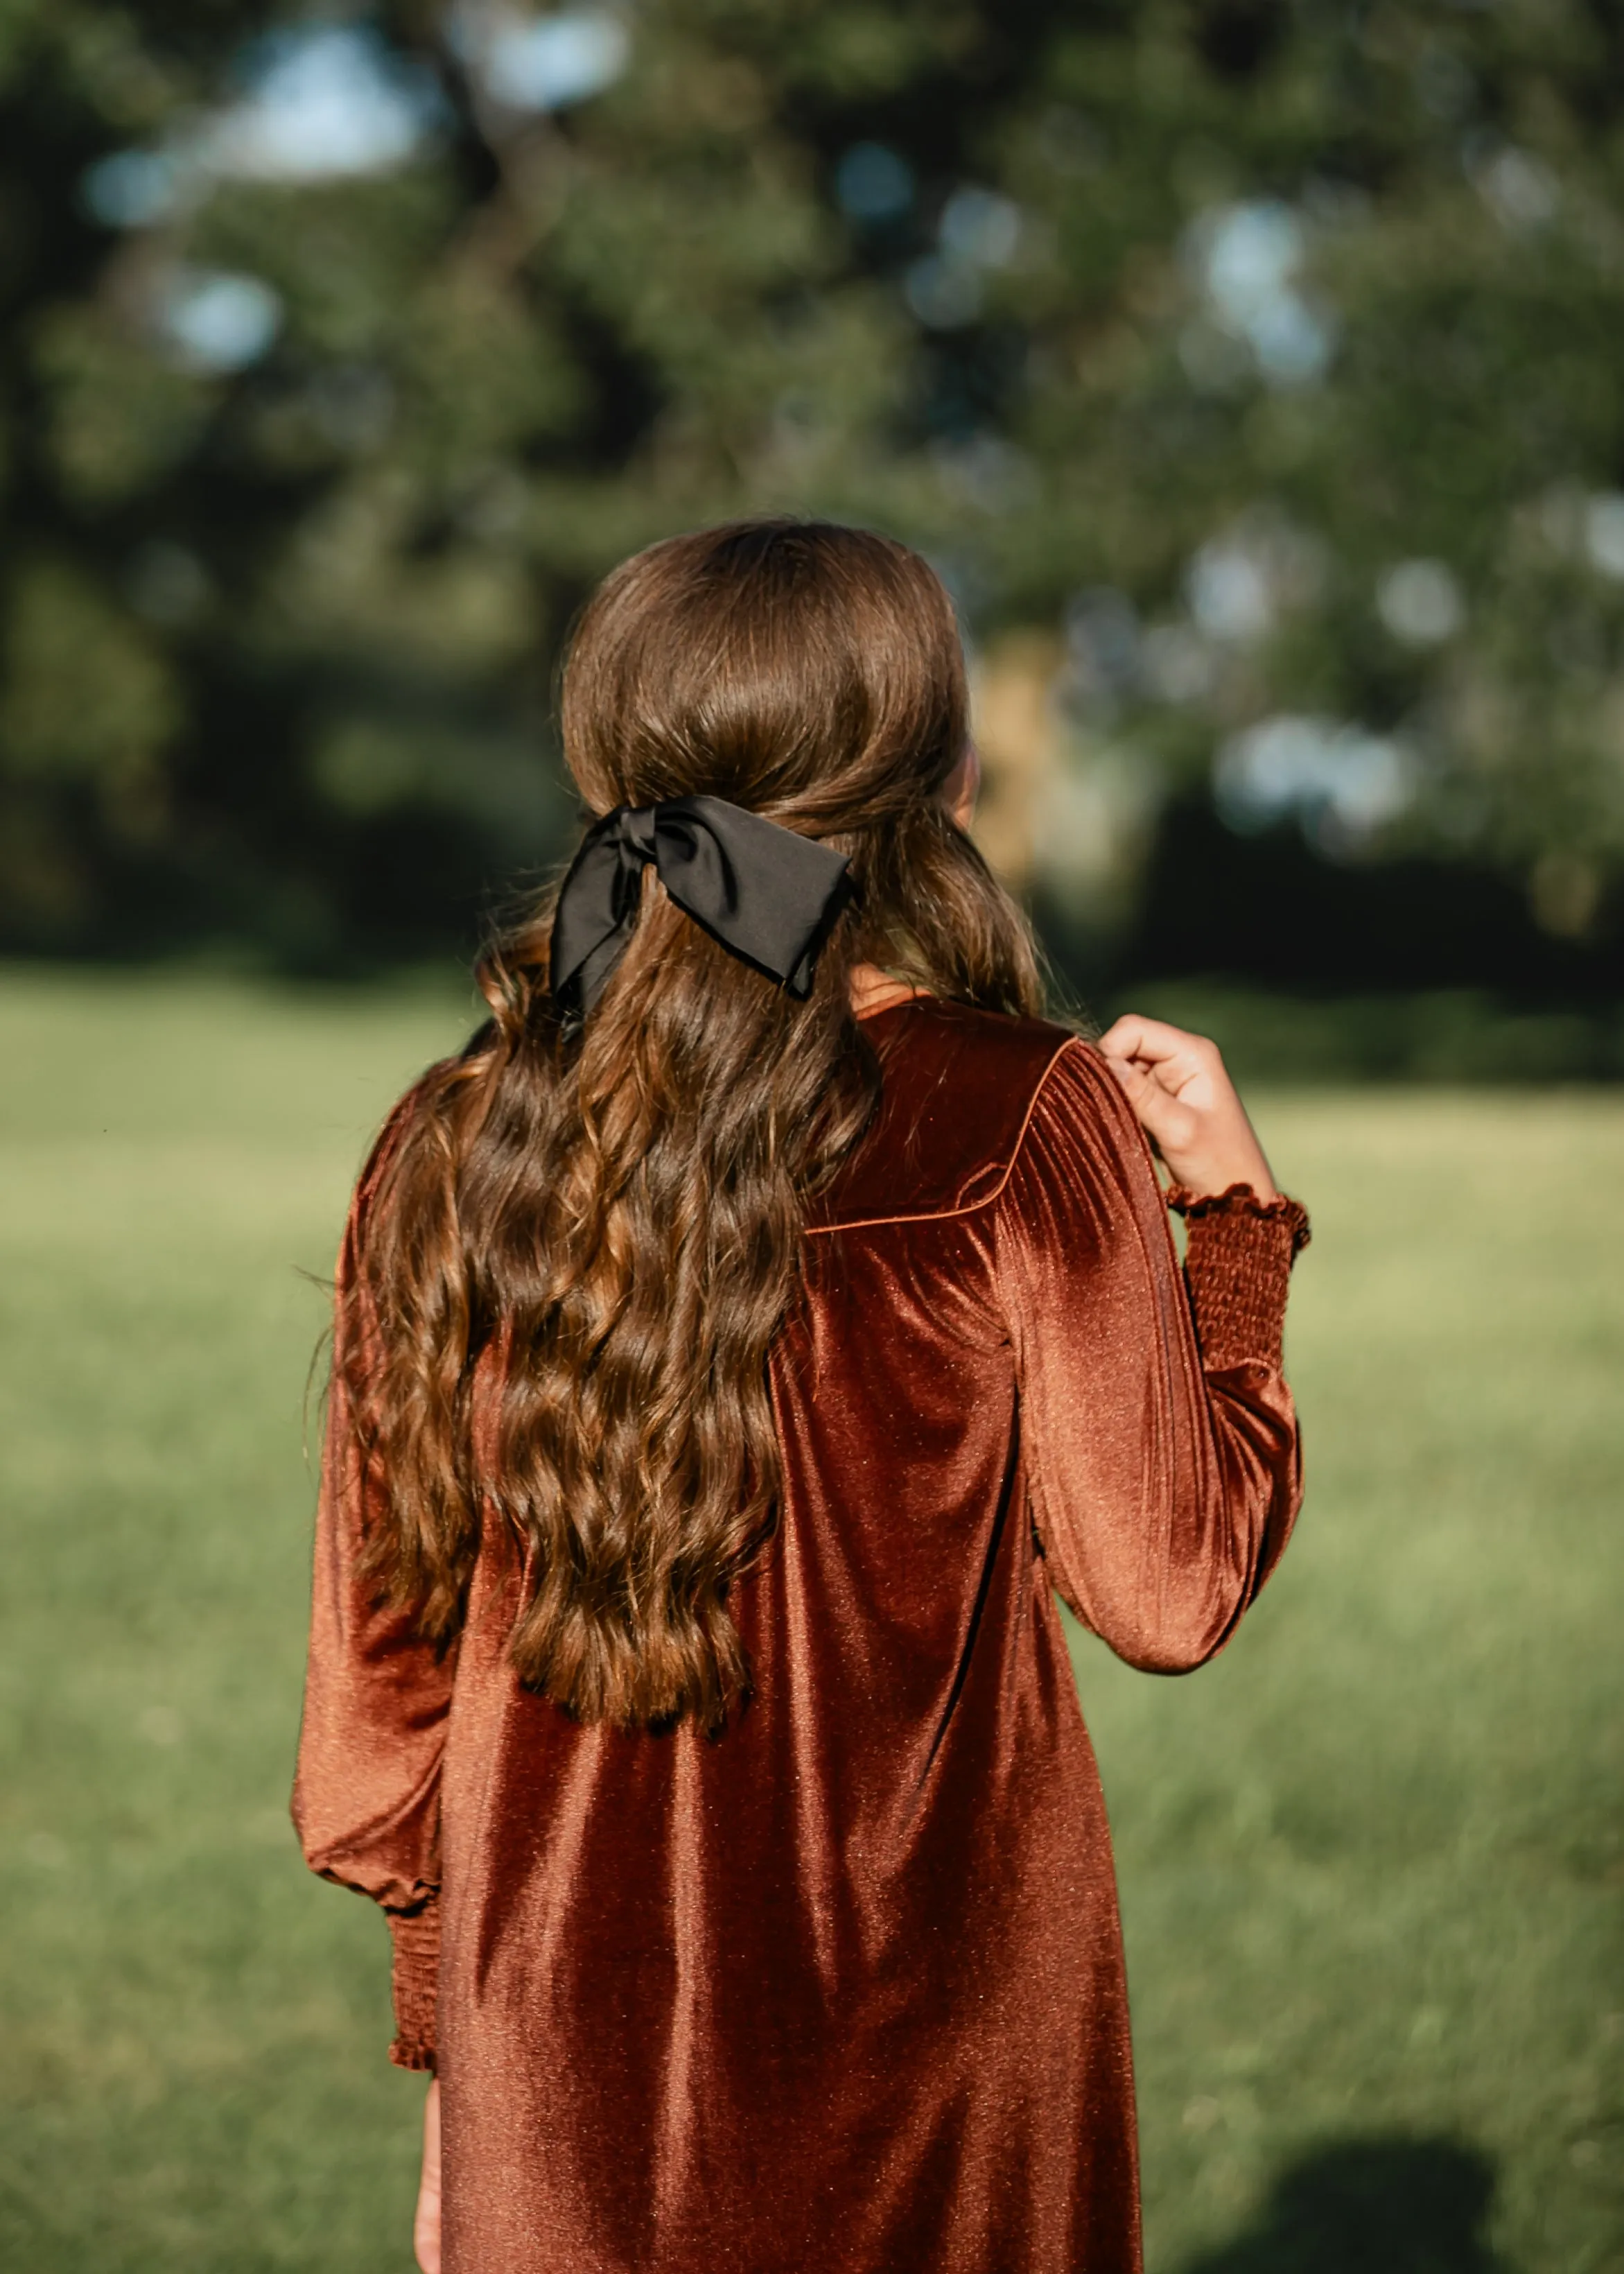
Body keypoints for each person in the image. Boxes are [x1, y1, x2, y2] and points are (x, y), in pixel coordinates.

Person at [293, 519, 1308, 2274]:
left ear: (603, 768)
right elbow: (1167, 1584)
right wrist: (1233, 1222)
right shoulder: (1018, 1116)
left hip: (556, 2065)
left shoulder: (459, 1138)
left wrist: (463, 2075)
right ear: (949, 777)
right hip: (941, 2068)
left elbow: (382, 1712)